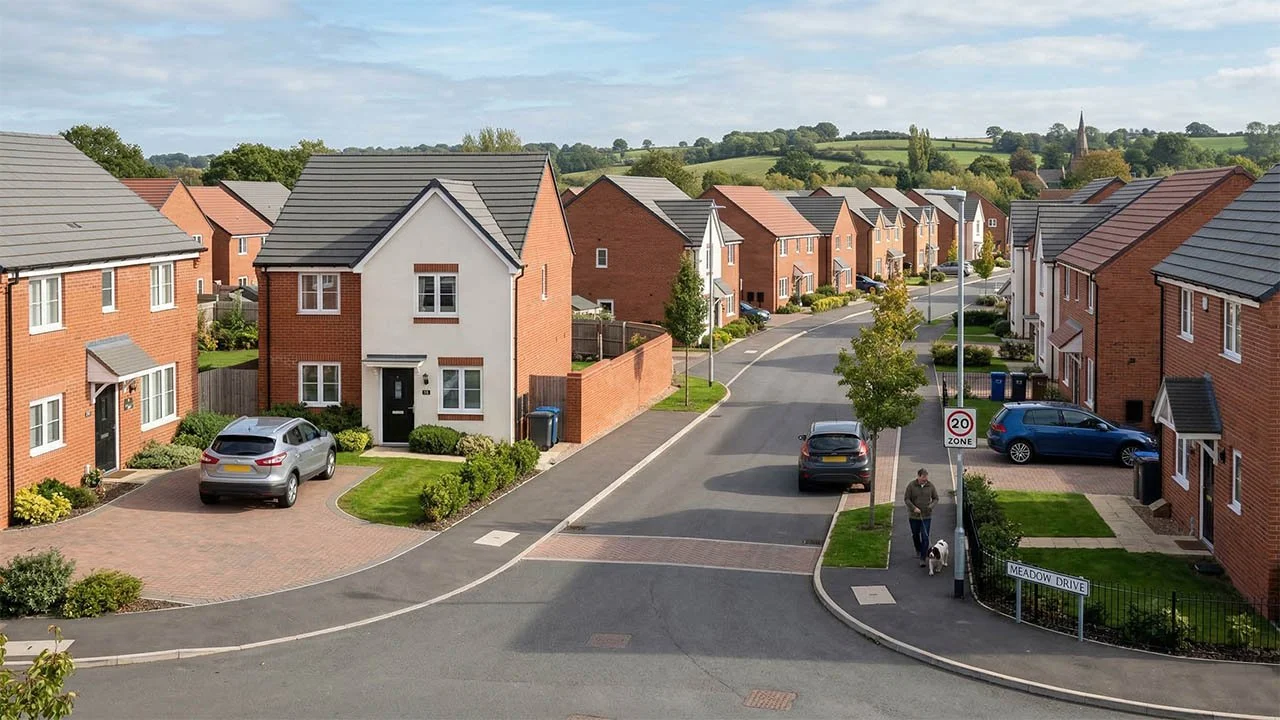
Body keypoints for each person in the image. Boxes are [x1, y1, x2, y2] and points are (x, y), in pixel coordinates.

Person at [904, 468, 938, 567]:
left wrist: (930, 507)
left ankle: (923, 558)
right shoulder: (911, 486)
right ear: (918, 476)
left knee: (925, 536)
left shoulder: (930, 486)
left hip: (926, 516)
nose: (925, 480)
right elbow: (906, 499)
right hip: (914, 516)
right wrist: (913, 508)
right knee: (915, 534)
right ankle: (918, 548)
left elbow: (936, 498)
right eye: (923, 478)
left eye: (926, 478)